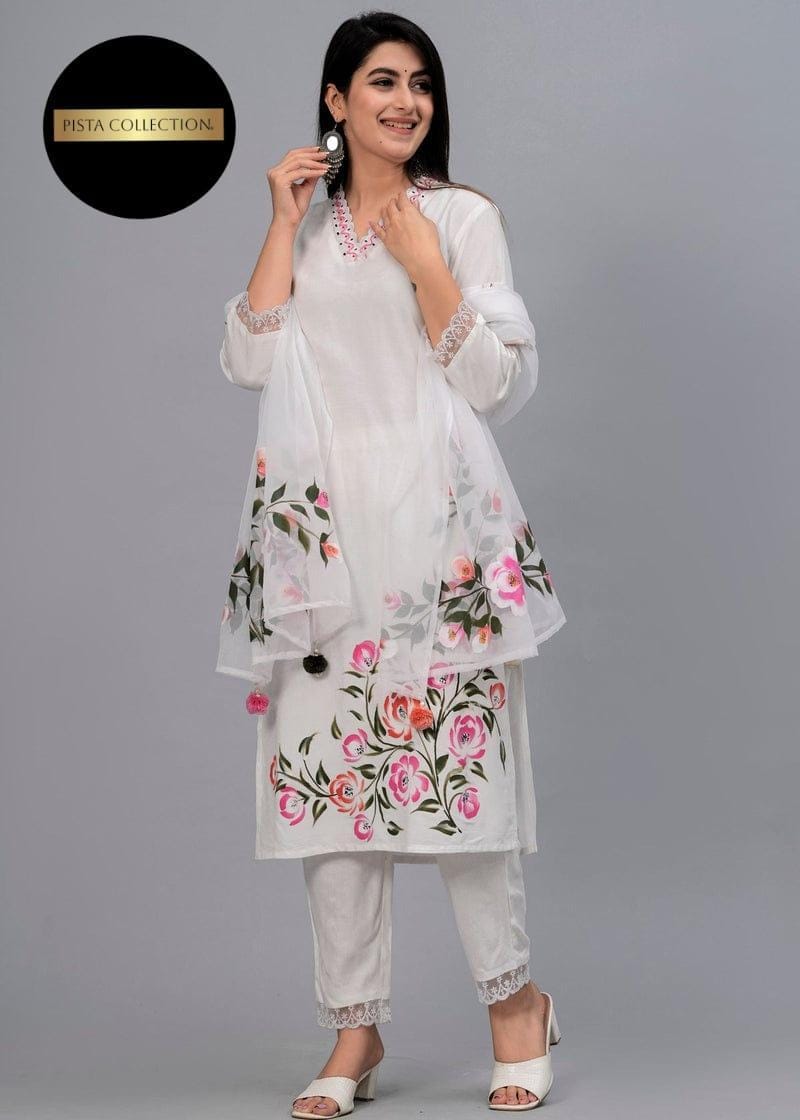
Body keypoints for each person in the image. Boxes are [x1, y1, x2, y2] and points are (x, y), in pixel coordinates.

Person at [215, 12, 566, 1116]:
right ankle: (353, 1032)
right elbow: (249, 357)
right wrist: (281, 223)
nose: (405, 101)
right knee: (333, 794)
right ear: (335, 100)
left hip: (439, 534)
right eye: (380, 81)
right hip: (319, 540)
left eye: (419, 83)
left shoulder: (461, 217)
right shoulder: (308, 225)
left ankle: (516, 1007)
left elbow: (495, 385)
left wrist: (427, 269)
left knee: (462, 784)